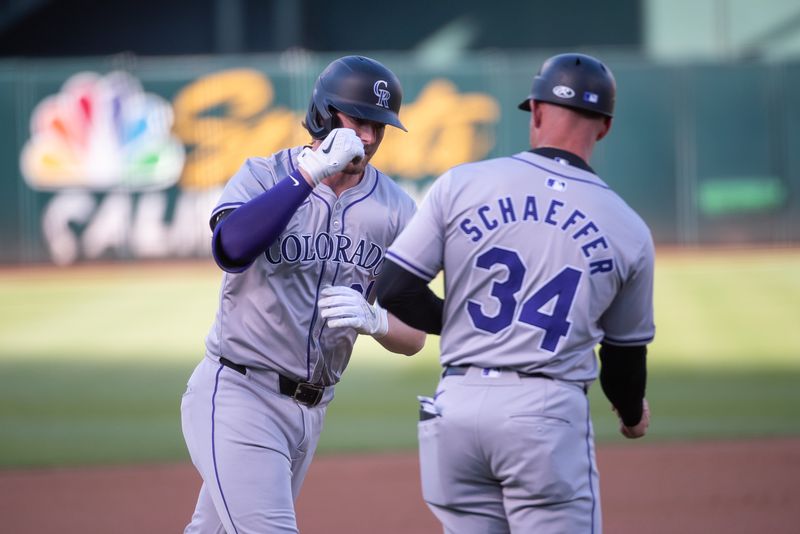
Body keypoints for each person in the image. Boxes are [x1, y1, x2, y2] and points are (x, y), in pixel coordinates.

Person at [377, 52, 654, 533]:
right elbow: (623, 356)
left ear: (538, 112)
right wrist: (631, 414)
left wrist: (460, 323)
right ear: (605, 127)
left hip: (456, 408)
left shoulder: (462, 183)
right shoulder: (628, 227)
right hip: (544, 415)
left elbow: (394, 288)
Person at [180, 55, 426, 534]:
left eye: (381, 126)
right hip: (240, 394)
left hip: (312, 410)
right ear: (323, 112)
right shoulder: (265, 174)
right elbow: (229, 248)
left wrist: (376, 322)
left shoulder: (396, 209)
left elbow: (416, 334)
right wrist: (308, 176)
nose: (370, 138)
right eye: (359, 121)